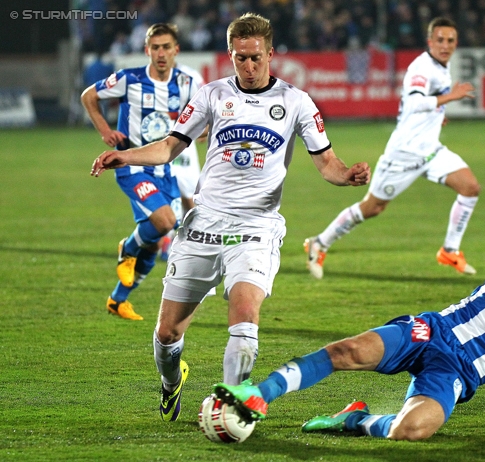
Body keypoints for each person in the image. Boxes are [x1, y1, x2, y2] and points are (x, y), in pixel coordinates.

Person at [212, 83, 485, 441]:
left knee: (411, 430)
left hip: (460, 370)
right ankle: (258, 394)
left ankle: (356, 419)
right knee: (347, 351)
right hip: (433, 329)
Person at [89, 13, 371, 422]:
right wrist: (124, 156)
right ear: (230, 55)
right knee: (167, 334)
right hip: (203, 223)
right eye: (241, 59)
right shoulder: (210, 95)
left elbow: (326, 162)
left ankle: (228, 407)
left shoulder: (296, 101)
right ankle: (171, 382)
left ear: (270, 53)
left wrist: (347, 176)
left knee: (244, 312)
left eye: (256, 58)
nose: (249, 67)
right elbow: (170, 146)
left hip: (257, 226)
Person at [304, 17, 480, 280]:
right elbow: (415, 103)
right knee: (372, 207)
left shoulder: (441, 66)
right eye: (440, 40)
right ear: (430, 42)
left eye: (450, 40)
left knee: (470, 188)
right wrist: (449, 98)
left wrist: (438, 112)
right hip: (404, 153)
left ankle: (450, 250)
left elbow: (423, 106)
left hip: (430, 150)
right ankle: (319, 242)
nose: (445, 45)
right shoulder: (422, 67)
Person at [82, 23, 200, 321]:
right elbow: (89, 96)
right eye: (155, 47)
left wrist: (204, 129)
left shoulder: (187, 84)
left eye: (166, 47)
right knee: (166, 221)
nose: (161, 53)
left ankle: (118, 299)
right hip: (131, 164)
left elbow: (203, 118)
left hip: (164, 167)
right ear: (147, 50)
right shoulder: (129, 79)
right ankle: (128, 247)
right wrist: (106, 131)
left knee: (159, 236)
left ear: (176, 50)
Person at [158, 62, 206, 261]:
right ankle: (166, 241)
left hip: (184, 139)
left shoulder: (190, 76)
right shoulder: (147, 78)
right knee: (165, 190)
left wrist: (205, 125)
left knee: (191, 196)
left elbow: (206, 102)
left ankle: (198, 239)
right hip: (159, 139)